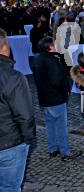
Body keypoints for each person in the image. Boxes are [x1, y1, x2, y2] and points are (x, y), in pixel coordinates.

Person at [30, 36, 81, 162]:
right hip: (56, 98)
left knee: (50, 125)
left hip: (44, 98)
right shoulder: (51, 60)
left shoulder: (37, 59)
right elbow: (57, 80)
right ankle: (65, 152)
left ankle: (53, 149)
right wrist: (66, 90)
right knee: (61, 126)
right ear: (50, 47)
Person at [0, 28, 36, 191]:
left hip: (8, 139)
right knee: (10, 187)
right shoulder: (13, 77)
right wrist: (27, 140)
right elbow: (25, 115)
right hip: (10, 144)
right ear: (5, 47)